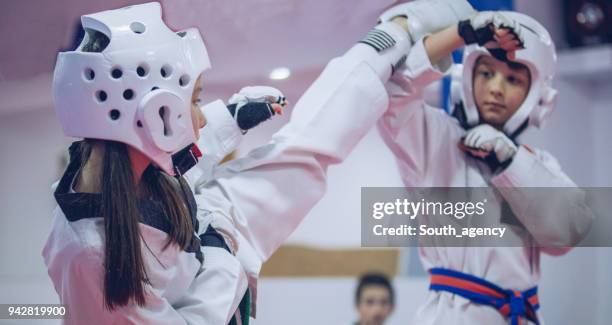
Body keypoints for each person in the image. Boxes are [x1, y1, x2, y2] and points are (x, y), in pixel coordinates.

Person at [43, 0, 476, 323]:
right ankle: (397, 41)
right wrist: (220, 255)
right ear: (155, 114)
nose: (197, 115)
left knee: (306, 143)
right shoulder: (91, 255)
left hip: (205, 231)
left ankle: (396, 39)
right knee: (305, 153)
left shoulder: (112, 167)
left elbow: (176, 155)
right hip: (215, 260)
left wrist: (230, 119)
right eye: (193, 101)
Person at [374, 4, 594, 324]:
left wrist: (511, 162)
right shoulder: (436, 140)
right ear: (466, 75)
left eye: (513, 79)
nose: (495, 88)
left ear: (536, 95)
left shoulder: (538, 164)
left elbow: (567, 234)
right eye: (486, 72)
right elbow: (392, 93)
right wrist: (458, 34)